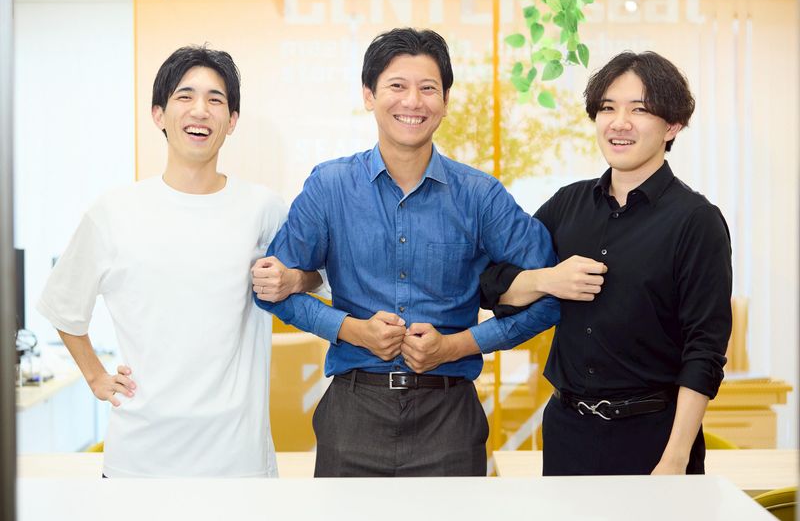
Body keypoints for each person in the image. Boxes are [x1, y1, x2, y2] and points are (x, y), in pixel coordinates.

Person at [252, 28, 560, 477]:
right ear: (369, 95)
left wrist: (456, 345)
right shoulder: (329, 187)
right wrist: (352, 331)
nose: (413, 101)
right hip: (353, 414)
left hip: (449, 418)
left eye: (428, 88)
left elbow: (552, 296)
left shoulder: (480, 196)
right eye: (397, 85)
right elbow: (270, 291)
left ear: (446, 101)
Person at [37, 45, 320, 478]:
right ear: (158, 114)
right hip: (139, 462)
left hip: (238, 463)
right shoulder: (114, 211)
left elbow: (320, 277)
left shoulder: (262, 209)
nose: (200, 110)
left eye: (215, 99)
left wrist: (294, 280)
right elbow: (62, 304)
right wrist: (96, 377)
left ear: (232, 121)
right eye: (185, 96)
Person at [480, 51, 732, 476]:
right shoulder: (567, 205)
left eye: (639, 110)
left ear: (672, 125)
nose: (619, 123)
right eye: (608, 108)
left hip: (653, 437)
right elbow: (491, 284)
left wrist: (675, 458)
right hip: (567, 430)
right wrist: (548, 279)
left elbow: (705, 350)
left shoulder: (696, 220)